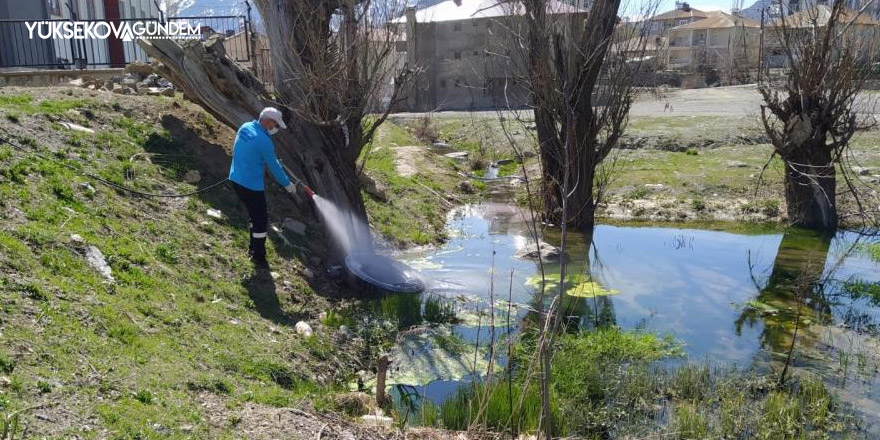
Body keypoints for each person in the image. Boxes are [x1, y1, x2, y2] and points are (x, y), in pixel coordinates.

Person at [229, 107, 298, 268]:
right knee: (261, 220)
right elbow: (274, 168)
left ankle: (252, 248)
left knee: (254, 215)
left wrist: (268, 159)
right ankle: (258, 256)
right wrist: (287, 184)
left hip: (235, 178)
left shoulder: (245, 127)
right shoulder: (264, 141)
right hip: (251, 185)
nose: (275, 128)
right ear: (267, 121)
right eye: (275, 124)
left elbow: (244, 150)